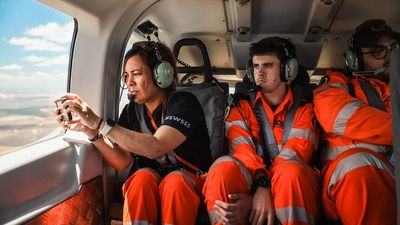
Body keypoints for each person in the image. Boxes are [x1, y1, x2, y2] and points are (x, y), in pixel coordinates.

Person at [54, 41, 212, 225]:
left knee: (175, 182)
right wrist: (91, 131)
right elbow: (123, 161)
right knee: (140, 178)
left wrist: (98, 122)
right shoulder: (131, 111)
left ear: (160, 74)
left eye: (136, 74)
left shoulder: (183, 103)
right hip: (155, 184)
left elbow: (156, 147)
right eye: (126, 76)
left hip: (192, 182)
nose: (129, 83)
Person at [203, 37, 320, 225]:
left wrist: (264, 192)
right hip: (256, 182)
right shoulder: (240, 106)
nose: (260, 72)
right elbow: (242, 151)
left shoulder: (306, 107)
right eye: (256, 67)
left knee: (291, 171)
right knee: (222, 167)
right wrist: (260, 186)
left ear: (287, 69)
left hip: (292, 186)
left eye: (267, 66)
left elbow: (297, 153)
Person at [313, 19, 399, 225]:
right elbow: (339, 115)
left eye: (394, 49)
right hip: (353, 179)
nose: (390, 57)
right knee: (358, 163)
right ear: (355, 59)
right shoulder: (337, 83)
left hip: (392, 177)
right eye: (379, 51)